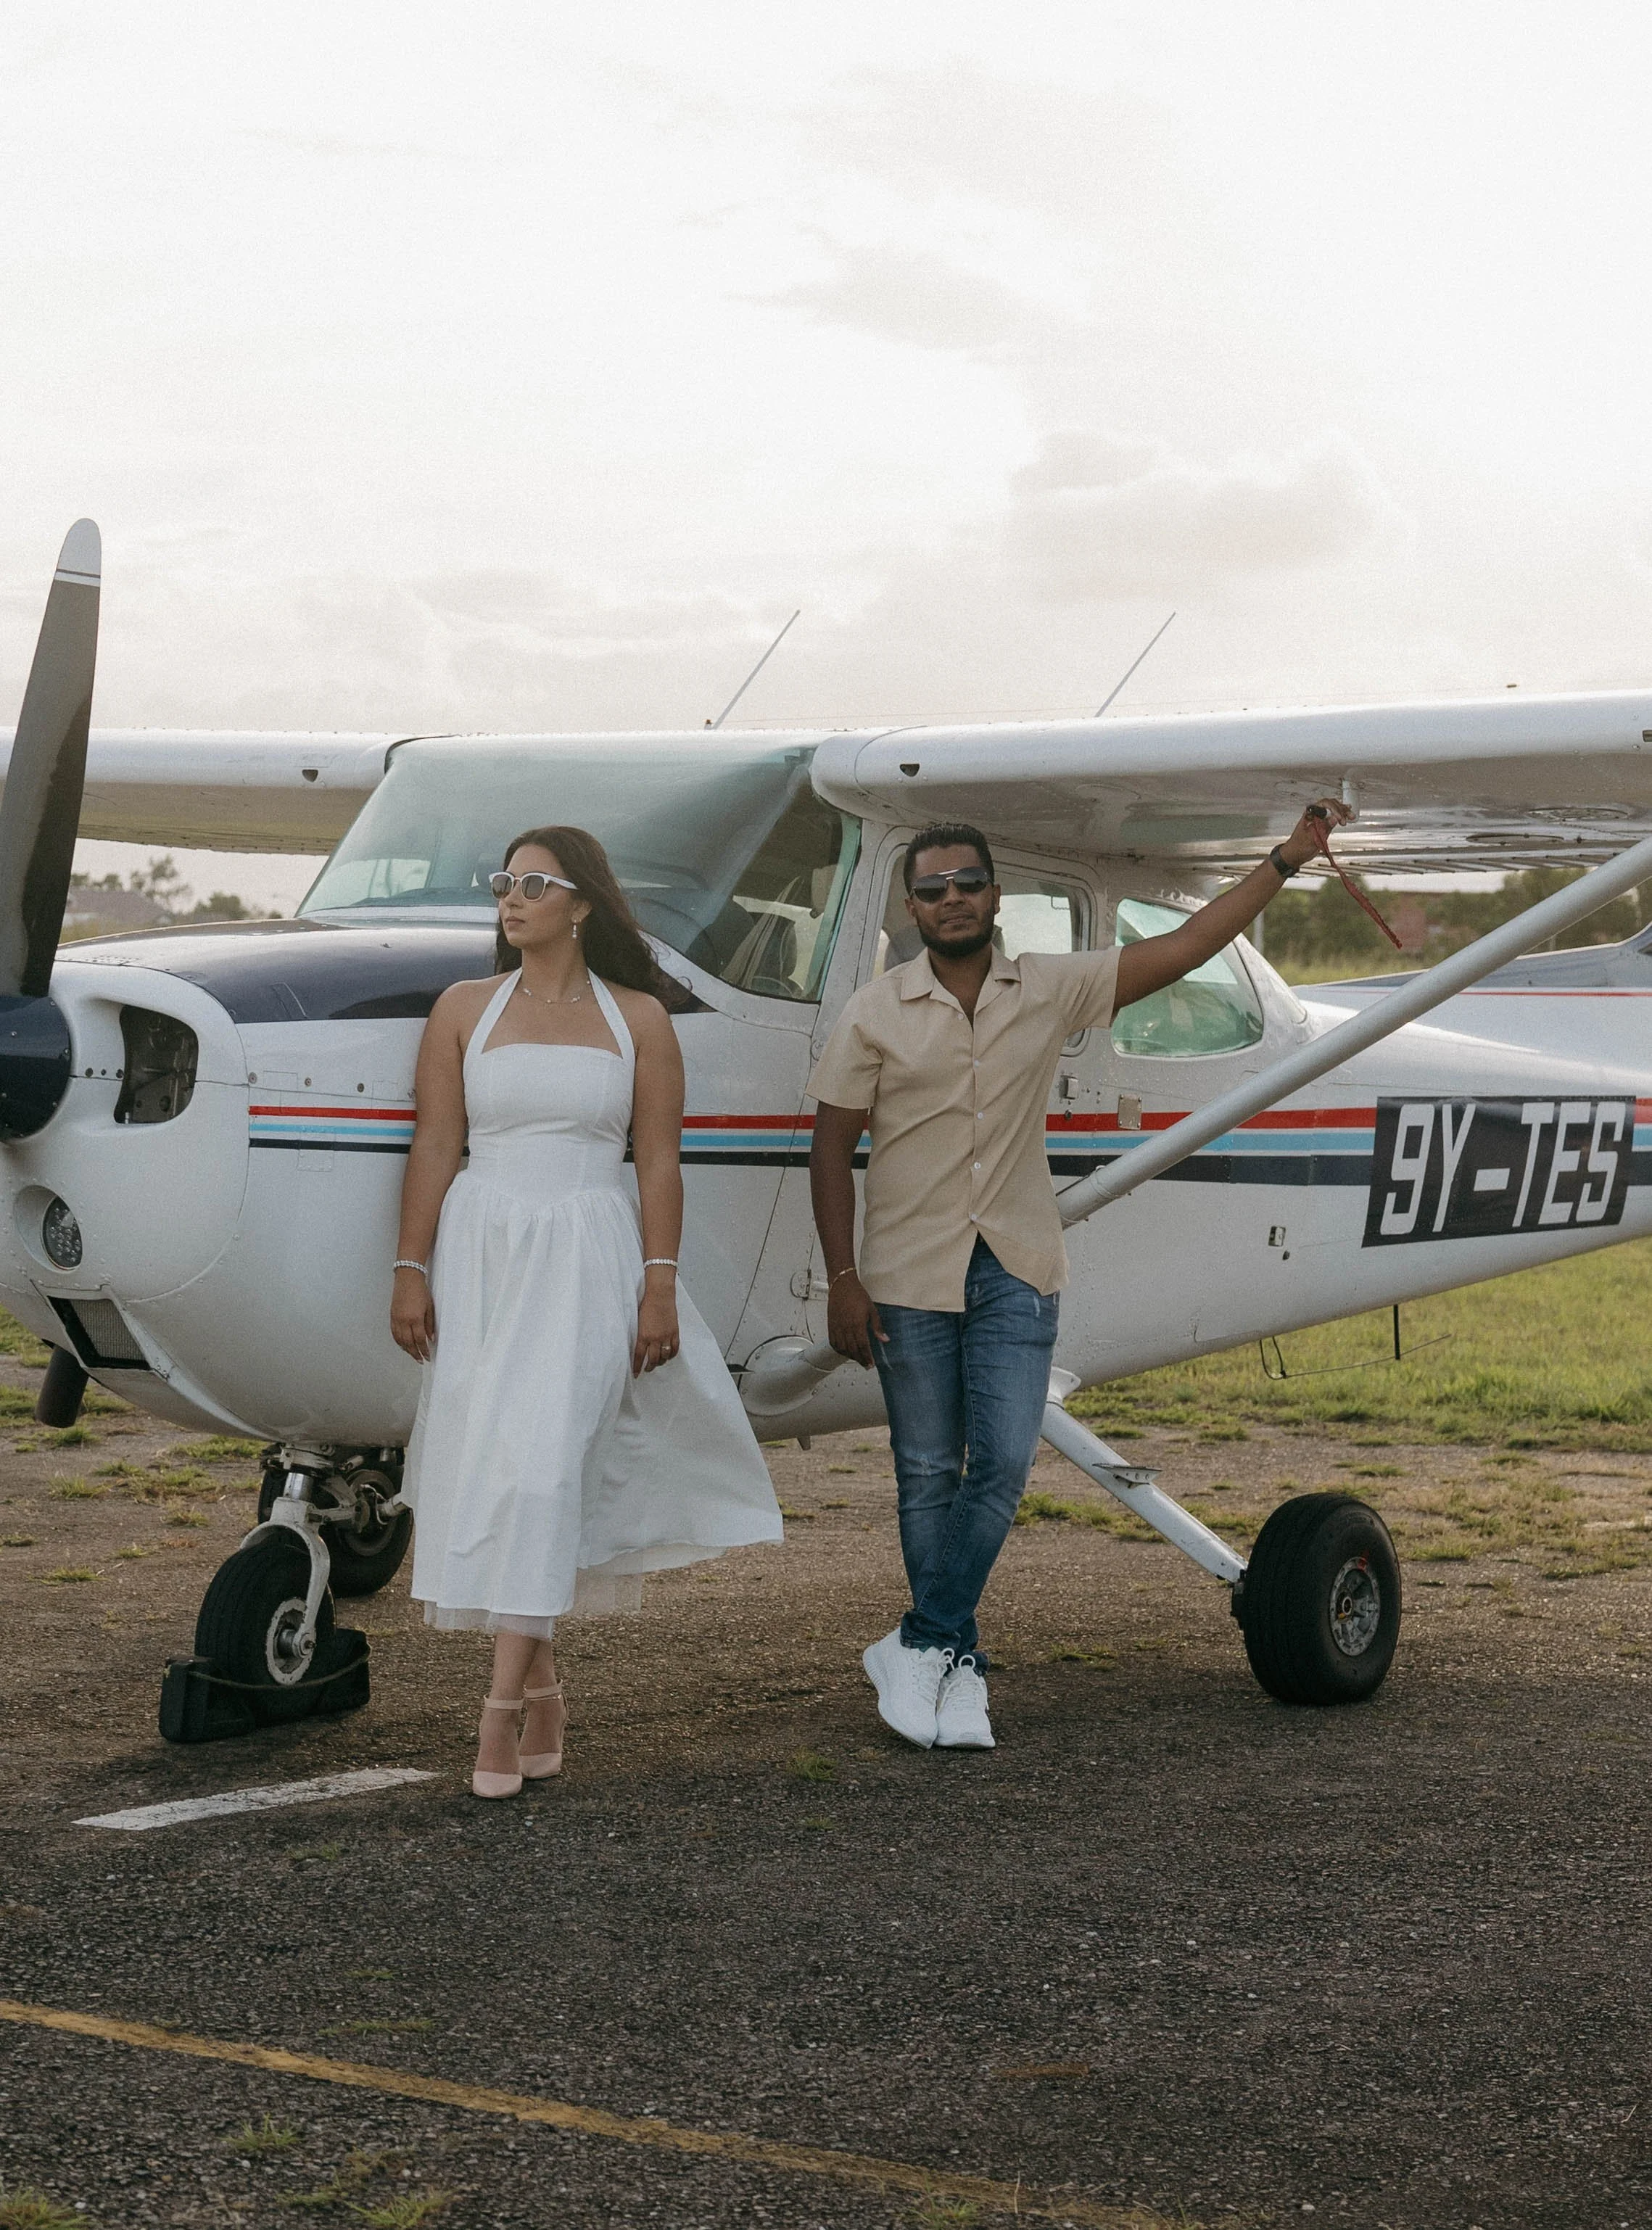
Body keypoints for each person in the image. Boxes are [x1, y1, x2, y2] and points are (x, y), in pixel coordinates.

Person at [808, 802, 1350, 1751]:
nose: (951, 898)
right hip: (904, 1270)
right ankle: (958, 1665)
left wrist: (1284, 859)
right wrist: (843, 1279)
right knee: (926, 1473)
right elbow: (828, 1148)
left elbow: (1183, 949)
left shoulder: (1049, 988)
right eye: (932, 888)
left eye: (968, 883)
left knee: (1002, 1465)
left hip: (1016, 1264)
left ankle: (921, 1642)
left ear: (995, 897)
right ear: (912, 907)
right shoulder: (873, 1012)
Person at [392, 824, 782, 1798]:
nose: (510, 898)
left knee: (543, 1470)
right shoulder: (461, 1009)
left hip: (590, 1255)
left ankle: (497, 1714)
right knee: (504, 1470)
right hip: (485, 1253)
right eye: (504, 882)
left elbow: (658, 1163)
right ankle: (546, 1689)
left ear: (581, 904)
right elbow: (436, 1144)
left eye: (534, 884)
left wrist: (660, 1282)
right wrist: (410, 1267)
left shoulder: (640, 1018)